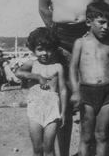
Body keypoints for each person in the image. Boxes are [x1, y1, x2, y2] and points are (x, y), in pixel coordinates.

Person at [38, 0, 107, 155]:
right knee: (63, 103)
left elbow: (105, 7)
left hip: (90, 39)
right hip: (62, 37)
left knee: (92, 98)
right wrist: (56, 35)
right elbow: (43, 7)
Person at [69, 2, 109, 156]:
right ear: (89, 22)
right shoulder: (80, 43)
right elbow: (73, 68)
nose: (106, 27)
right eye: (101, 22)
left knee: (102, 135)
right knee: (87, 136)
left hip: (107, 92)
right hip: (87, 92)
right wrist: (75, 91)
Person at [15, 28, 67, 156]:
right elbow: (18, 72)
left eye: (48, 49)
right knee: (38, 148)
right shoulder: (32, 64)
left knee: (49, 148)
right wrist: (38, 77)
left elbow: (63, 90)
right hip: (35, 109)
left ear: (53, 48)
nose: (44, 53)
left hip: (52, 109)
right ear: (33, 49)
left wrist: (64, 112)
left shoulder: (57, 67)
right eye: (40, 49)